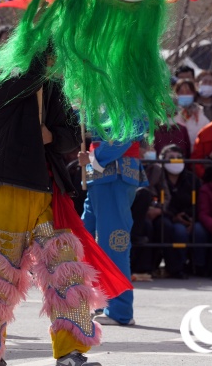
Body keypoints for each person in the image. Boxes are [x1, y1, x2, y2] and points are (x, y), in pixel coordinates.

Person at [0, 51, 125, 366]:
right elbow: (19, 83)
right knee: (0, 273)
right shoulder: (10, 76)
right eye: (52, 49)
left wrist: (53, 135)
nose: (58, 57)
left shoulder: (59, 85)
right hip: (10, 183)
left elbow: (69, 136)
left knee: (65, 271)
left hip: (49, 189)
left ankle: (69, 352)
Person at [80, 127, 143, 326]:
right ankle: (101, 300)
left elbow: (125, 134)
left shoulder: (128, 97)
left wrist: (93, 158)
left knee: (114, 242)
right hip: (101, 176)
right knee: (85, 239)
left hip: (115, 173)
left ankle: (119, 309)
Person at [146, 144, 206, 278]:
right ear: (162, 159)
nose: (175, 160)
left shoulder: (192, 179)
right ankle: (178, 267)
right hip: (169, 216)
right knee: (178, 232)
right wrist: (174, 216)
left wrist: (190, 218)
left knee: (199, 231)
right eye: (171, 157)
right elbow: (163, 199)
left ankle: (199, 267)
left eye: (179, 157)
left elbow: (199, 202)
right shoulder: (159, 176)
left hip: (190, 218)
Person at [173, 79, 209, 149]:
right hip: (175, 156)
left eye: (188, 92)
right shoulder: (170, 115)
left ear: (194, 94)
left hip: (195, 156)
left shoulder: (200, 115)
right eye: (181, 92)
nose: (185, 94)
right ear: (176, 94)